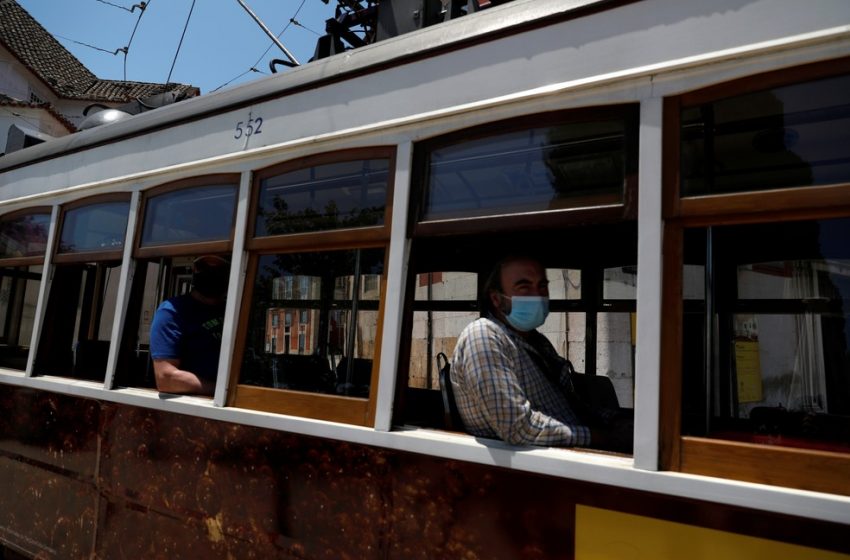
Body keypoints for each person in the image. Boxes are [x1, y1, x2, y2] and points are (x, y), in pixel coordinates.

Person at [450, 254, 632, 452]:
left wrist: (614, 419)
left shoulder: (536, 341)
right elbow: (517, 427)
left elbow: (569, 403)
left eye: (542, 286)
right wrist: (599, 437)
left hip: (570, 449)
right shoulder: (484, 336)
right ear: (496, 299)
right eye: (524, 287)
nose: (537, 295)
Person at [149, 255, 230, 396]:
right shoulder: (172, 311)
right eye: (204, 268)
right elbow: (166, 378)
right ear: (194, 271)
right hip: (198, 405)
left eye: (218, 269)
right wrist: (224, 392)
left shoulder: (235, 311)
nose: (210, 273)